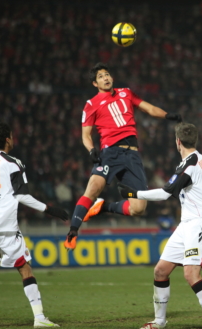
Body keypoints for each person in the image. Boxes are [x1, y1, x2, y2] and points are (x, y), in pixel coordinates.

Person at [117, 122, 202, 329]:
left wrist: (134, 194)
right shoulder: (198, 160)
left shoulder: (191, 163)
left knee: (191, 274)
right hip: (186, 224)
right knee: (160, 271)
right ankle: (159, 321)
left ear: (177, 141)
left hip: (199, 224)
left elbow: (167, 192)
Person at [64, 62, 181, 250]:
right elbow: (86, 135)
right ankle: (72, 232)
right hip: (110, 153)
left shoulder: (126, 93)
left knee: (139, 209)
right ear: (95, 83)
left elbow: (149, 108)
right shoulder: (90, 105)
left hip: (132, 155)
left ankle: (102, 208)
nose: (106, 78)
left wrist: (168, 116)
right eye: (101, 76)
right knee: (93, 188)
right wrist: (91, 150)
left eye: (107, 74)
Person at [0, 123, 68, 327]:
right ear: (7, 139)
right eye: (12, 136)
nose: (14, 138)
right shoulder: (13, 163)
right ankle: (40, 318)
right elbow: (22, 196)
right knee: (25, 268)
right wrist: (51, 210)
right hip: (4, 225)